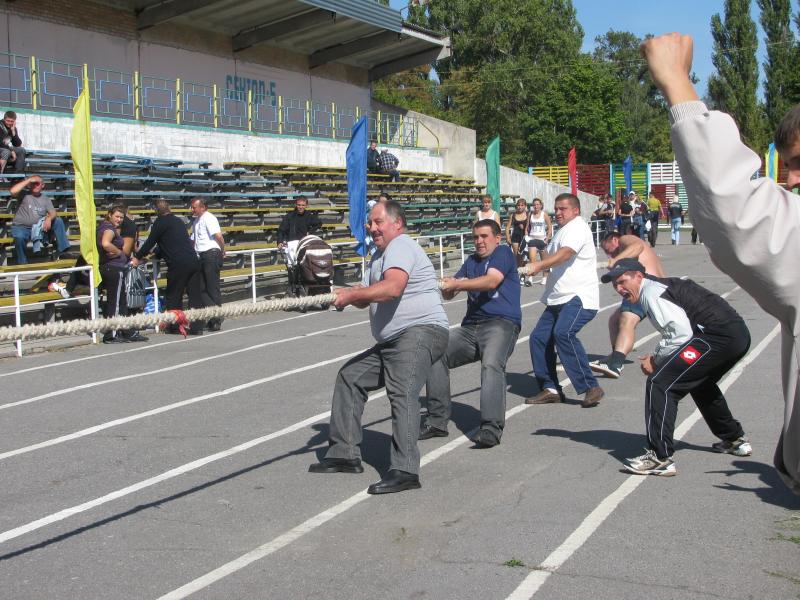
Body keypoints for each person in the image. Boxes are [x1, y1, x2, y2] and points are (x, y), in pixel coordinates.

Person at [641, 32, 800, 492]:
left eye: (797, 162)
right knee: (691, 381)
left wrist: (676, 82)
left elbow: (740, 215)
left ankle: (664, 452)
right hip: (723, 338)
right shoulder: (648, 291)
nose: (788, 180)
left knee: (669, 382)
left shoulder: (653, 292)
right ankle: (733, 439)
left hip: (724, 337)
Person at [308, 201, 449, 495]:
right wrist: (344, 296)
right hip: (392, 341)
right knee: (351, 376)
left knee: (402, 392)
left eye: (377, 222)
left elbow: (393, 287)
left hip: (419, 332)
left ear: (396, 223)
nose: (371, 228)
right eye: (370, 224)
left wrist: (352, 295)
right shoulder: (377, 257)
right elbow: (365, 297)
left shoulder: (401, 246)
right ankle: (343, 454)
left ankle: (406, 469)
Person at [602, 259, 752, 477]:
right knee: (700, 383)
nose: (619, 288)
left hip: (716, 337)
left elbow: (680, 333)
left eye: (623, 281)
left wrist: (656, 360)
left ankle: (659, 457)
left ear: (639, 276)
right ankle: (733, 439)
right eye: (615, 284)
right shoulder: (656, 289)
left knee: (660, 383)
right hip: (736, 335)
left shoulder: (652, 292)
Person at [421, 219, 520, 447]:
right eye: (476, 237)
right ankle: (436, 421)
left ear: (497, 238)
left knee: (492, 364)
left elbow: (491, 281)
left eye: (484, 236)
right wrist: (449, 287)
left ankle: (490, 428)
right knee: (435, 353)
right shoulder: (471, 262)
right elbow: (450, 294)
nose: (479, 241)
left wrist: (459, 284)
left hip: (501, 323)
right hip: (471, 327)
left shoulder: (503, 253)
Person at [523, 193, 605, 408]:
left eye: (563, 209)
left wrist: (539, 266)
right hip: (558, 298)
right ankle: (550, 388)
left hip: (578, 297)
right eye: (556, 209)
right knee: (539, 339)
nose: (558, 213)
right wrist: (535, 258)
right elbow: (551, 259)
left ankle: (591, 387)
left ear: (576, 210)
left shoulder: (577, 227)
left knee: (563, 333)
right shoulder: (562, 231)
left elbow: (566, 254)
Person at [591, 231, 666, 378]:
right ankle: (615, 356)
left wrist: (616, 260)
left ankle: (616, 364)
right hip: (655, 286)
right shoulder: (628, 250)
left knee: (627, 320)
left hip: (645, 286)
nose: (609, 256)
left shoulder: (626, 239)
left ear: (614, 239)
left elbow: (637, 246)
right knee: (614, 320)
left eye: (608, 250)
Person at [131, 198, 204, 335]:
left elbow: (150, 243)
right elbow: (168, 242)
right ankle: (197, 326)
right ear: (169, 209)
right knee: (195, 295)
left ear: (156, 211)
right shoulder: (178, 221)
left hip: (178, 264)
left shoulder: (159, 223)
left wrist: (138, 257)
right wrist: (155, 254)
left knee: (174, 295)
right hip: (193, 260)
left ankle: (175, 326)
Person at [96, 205, 147, 344]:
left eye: (121, 217)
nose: (119, 219)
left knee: (121, 301)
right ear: (109, 215)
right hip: (113, 269)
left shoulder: (107, 227)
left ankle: (125, 331)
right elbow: (106, 243)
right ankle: (111, 334)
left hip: (115, 268)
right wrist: (119, 252)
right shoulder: (108, 228)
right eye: (116, 216)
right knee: (116, 302)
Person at [10, 175, 71, 264]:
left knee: (58, 221)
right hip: (21, 227)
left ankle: (64, 251)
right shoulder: (24, 194)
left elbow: (53, 212)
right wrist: (29, 180)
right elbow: (12, 191)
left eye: (37, 183)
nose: (35, 185)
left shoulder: (45, 199)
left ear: (43, 185)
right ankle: (22, 263)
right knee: (19, 236)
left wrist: (49, 218)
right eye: (33, 184)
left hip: (38, 228)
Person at [190, 197, 225, 331]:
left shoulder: (209, 218)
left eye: (194, 207)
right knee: (201, 288)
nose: (192, 209)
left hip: (210, 254)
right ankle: (214, 315)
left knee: (212, 287)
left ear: (203, 207)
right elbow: (194, 240)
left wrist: (222, 249)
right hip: (201, 255)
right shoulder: (196, 221)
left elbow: (218, 236)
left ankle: (216, 318)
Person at [525, 198, 553, 286]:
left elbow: (549, 226)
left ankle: (544, 278)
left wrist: (547, 238)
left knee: (544, 261)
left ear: (541, 205)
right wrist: (526, 236)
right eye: (534, 205)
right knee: (532, 260)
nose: (536, 206)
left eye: (537, 204)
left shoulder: (544, 214)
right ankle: (530, 278)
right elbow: (527, 227)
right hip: (532, 239)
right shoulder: (530, 214)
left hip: (542, 239)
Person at [505, 198, 528, 276]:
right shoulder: (513, 215)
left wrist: (524, 228)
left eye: (522, 205)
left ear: (525, 206)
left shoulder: (528, 214)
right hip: (515, 237)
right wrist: (508, 237)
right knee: (517, 255)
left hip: (525, 237)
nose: (520, 207)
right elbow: (507, 227)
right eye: (518, 205)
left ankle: (523, 272)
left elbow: (531, 226)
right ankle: (518, 272)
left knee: (524, 255)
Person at [0, 110, 26, 177]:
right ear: (4, 119)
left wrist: (13, 132)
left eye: (12, 121)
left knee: (21, 150)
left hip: (7, 148)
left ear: (14, 121)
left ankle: (17, 176)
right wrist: (11, 151)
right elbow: (1, 142)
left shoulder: (13, 128)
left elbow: (17, 144)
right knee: (7, 151)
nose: (9, 123)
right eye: (8, 121)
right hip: (2, 148)